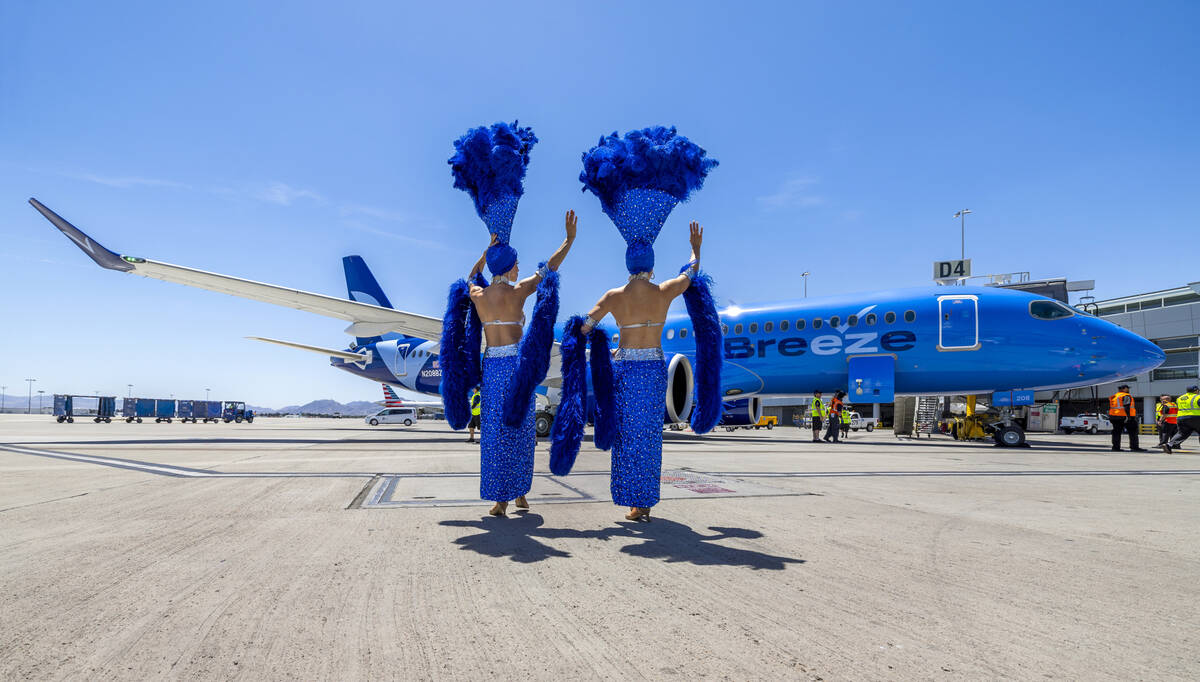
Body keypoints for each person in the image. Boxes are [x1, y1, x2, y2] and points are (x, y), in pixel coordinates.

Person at [550, 126, 722, 524]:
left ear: (628, 261)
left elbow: (582, 327)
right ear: (651, 263)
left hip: (627, 369)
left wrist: (598, 344)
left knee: (627, 435)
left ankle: (631, 500)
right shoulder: (664, 292)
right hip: (654, 369)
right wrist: (696, 251)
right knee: (649, 436)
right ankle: (645, 502)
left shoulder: (615, 297)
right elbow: (692, 274)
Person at [439, 121, 576, 517]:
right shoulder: (517, 292)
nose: (518, 269)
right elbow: (548, 270)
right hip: (516, 365)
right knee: (519, 432)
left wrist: (485, 252)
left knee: (495, 435)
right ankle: (519, 494)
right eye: (515, 264)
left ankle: (500, 498)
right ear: (513, 266)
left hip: (491, 366)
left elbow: (467, 279)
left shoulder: (480, 295)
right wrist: (567, 241)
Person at [1161, 385, 1200, 454]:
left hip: (1181, 418)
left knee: (1182, 433)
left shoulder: (1180, 398)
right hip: (1196, 417)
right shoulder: (1197, 397)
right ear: (1196, 390)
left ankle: (1169, 445)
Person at [1107, 383, 1144, 452]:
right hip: (1124, 416)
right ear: (1124, 389)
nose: (1128, 390)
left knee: (1116, 432)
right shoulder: (1126, 396)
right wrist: (1128, 417)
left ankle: (1115, 447)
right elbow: (1127, 406)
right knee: (1133, 431)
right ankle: (1134, 447)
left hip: (1114, 416)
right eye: (1128, 388)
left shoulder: (1115, 396)